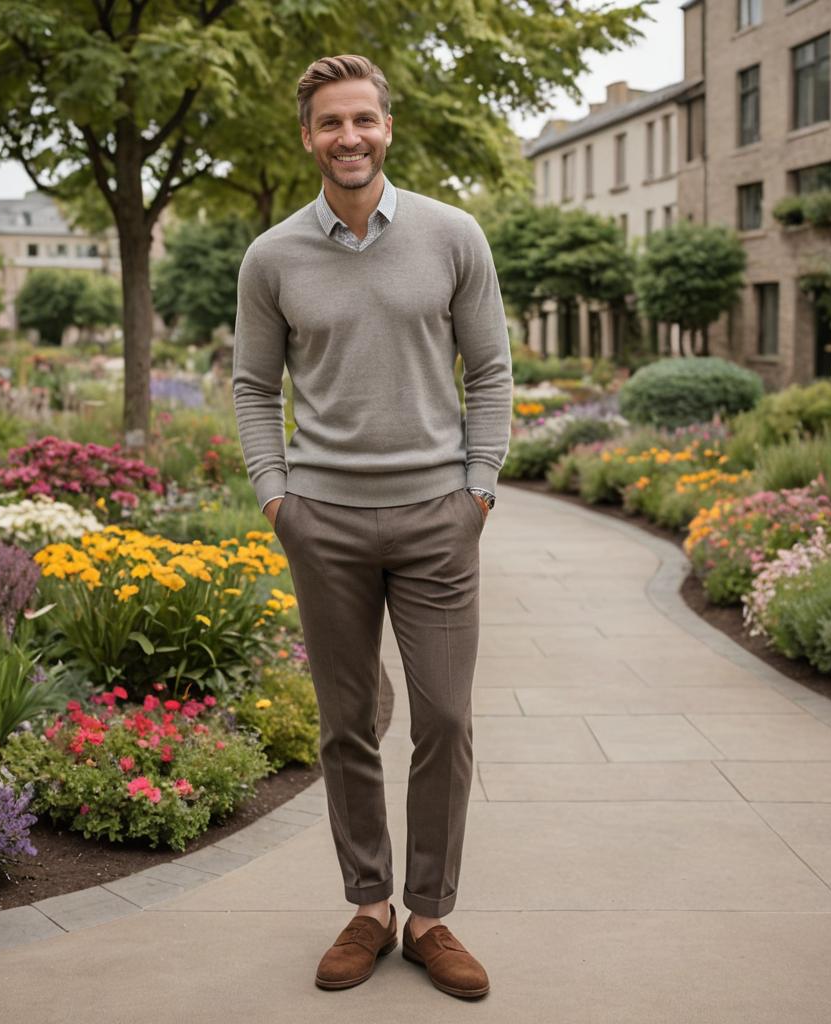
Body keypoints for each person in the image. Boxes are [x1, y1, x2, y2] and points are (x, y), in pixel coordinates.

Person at [232, 53, 512, 1000]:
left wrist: (476, 491)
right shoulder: (272, 256)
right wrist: (280, 499)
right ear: (306, 136)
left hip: (440, 519)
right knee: (347, 723)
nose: (348, 137)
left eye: (363, 120)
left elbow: (492, 372)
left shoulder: (452, 234)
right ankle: (368, 907)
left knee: (442, 717)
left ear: (387, 127)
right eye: (329, 123)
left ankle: (430, 915)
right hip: (327, 523)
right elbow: (252, 386)